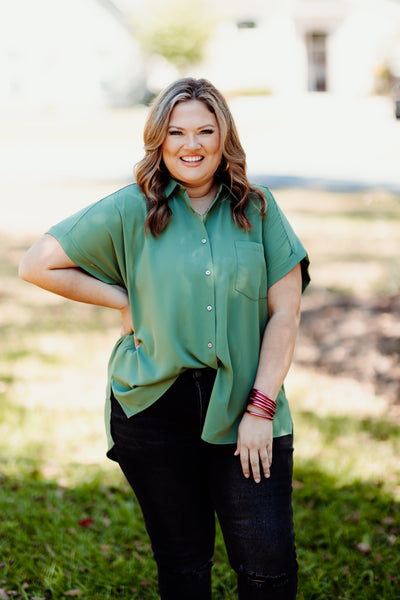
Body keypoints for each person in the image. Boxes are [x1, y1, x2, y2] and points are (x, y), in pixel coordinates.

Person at [19, 77, 310, 600]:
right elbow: (37, 264)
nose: (191, 144)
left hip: (247, 403)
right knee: (183, 568)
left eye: (205, 129)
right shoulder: (131, 208)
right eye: (176, 132)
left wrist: (261, 409)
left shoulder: (260, 209)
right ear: (159, 139)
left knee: (268, 568)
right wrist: (123, 300)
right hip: (154, 408)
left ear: (225, 136)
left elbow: (285, 315)